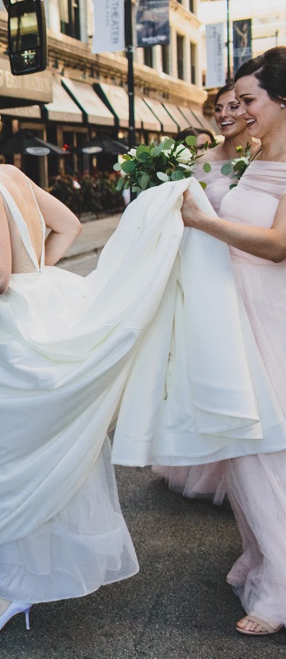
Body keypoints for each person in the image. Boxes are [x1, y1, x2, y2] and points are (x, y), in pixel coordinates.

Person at [0, 94, 140, 634]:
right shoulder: (13, 175)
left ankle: (12, 587)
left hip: (4, 334)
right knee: (13, 452)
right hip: (29, 319)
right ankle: (19, 574)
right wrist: (37, 275)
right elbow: (66, 227)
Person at [179, 47, 286, 636]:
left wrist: (203, 220)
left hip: (271, 318)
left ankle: (281, 587)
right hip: (238, 316)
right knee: (241, 446)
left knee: (263, 449)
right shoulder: (258, 157)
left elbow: (277, 244)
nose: (238, 111)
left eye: (248, 101)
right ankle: (264, 554)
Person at [153, 81, 255, 504]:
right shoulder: (200, 163)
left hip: (258, 270)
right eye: (219, 107)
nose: (225, 113)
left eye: (235, 104)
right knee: (222, 367)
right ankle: (222, 466)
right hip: (215, 276)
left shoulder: (267, 157)